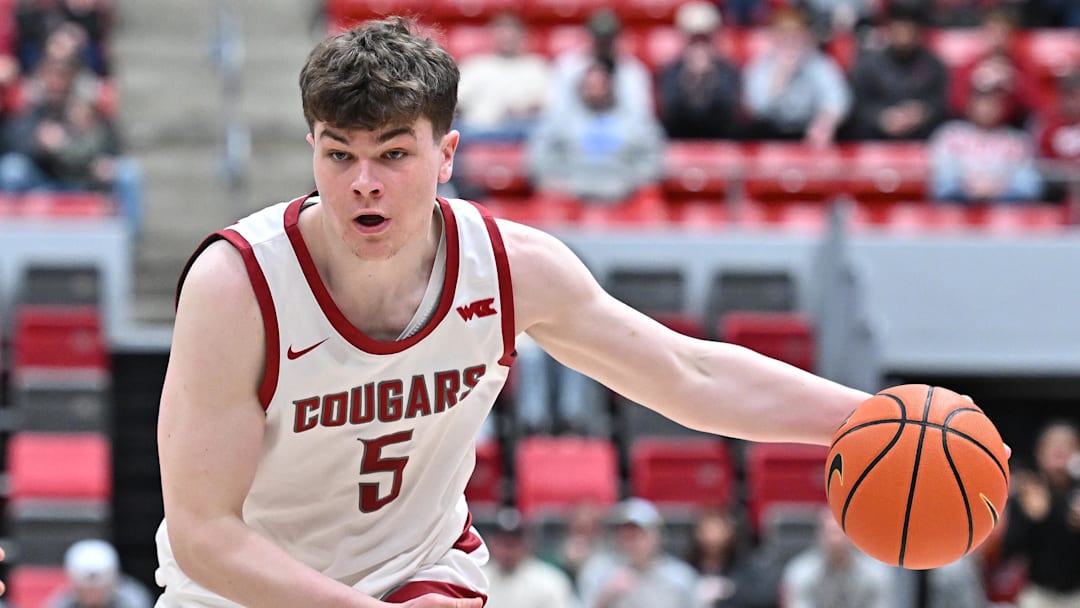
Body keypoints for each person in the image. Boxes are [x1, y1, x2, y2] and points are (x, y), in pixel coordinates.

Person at [155, 15, 880, 608]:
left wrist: (874, 419)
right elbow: (204, 536)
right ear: (312, 147)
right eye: (340, 156)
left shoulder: (509, 268)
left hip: (418, 577)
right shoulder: (237, 287)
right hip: (239, 592)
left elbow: (688, 373)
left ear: (446, 155)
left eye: (394, 155)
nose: (364, 184)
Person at [527, 55, 665, 203]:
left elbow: (653, 158)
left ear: (612, 86)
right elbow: (540, 156)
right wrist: (553, 180)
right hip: (566, 195)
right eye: (590, 85)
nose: (595, 91)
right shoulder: (559, 120)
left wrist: (635, 181)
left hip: (626, 195)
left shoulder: (636, 120)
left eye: (600, 85)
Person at [741, 7, 851, 147]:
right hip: (769, 134)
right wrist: (780, 75)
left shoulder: (818, 64)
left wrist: (825, 123)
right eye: (785, 38)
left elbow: (837, 99)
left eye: (795, 37)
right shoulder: (761, 66)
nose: (791, 44)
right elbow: (756, 108)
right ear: (775, 39)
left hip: (807, 135)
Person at [1002, 420, 1080, 608]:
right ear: (1039, 453)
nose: (1059, 458)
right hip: (1038, 593)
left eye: (1067, 449)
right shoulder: (1028, 492)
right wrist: (1032, 519)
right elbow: (1009, 550)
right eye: (1054, 450)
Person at [928, 81, 1043, 204]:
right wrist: (968, 187)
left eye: (993, 103)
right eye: (982, 102)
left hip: (1006, 211)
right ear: (970, 104)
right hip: (957, 208)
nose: (987, 108)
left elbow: (1029, 186)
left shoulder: (1017, 140)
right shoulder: (950, 134)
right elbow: (941, 184)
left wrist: (998, 189)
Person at [847, 3, 948, 140]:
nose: (904, 35)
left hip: (920, 138)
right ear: (889, 28)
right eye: (899, 27)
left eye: (909, 28)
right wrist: (881, 117)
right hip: (875, 138)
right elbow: (857, 104)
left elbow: (941, 103)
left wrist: (922, 112)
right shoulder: (869, 65)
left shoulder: (934, 65)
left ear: (918, 31)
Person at [577, 498, 700, 608]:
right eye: (626, 535)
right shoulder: (598, 571)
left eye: (638, 535)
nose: (631, 542)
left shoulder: (680, 577)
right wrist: (606, 597)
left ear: (656, 536)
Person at [454, 12, 550, 143]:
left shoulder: (537, 67)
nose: (507, 37)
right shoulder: (475, 65)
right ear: (493, 35)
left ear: (523, 35)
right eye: (502, 32)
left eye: (512, 32)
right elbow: (456, 101)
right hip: (478, 134)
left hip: (524, 135)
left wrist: (523, 111)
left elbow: (548, 105)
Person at [656, 2, 742, 140]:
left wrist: (709, 79)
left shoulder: (728, 71)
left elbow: (728, 112)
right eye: (694, 39)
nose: (700, 46)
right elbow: (671, 112)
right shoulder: (670, 72)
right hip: (679, 140)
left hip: (720, 141)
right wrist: (689, 80)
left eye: (705, 39)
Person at [547, 9, 653, 118]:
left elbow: (641, 114)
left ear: (618, 37)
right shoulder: (567, 66)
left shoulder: (633, 71)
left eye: (608, 38)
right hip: (574, 130)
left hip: (621, 130)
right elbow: (557, 110)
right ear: (588, 35)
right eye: (599, 37)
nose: (603, 43)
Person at [779, 507, 891, 608]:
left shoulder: (875, 574)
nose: (836, 540)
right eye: (830, 533)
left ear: (852, 536)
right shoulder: (800, 572)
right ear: (819, 535)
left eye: (839, 533)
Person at [949, 5, 1037, 129]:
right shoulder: (969, 66)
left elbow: (1037, 107)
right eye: (992, 32)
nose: (998, 40)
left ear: (1012, 37)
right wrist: (974, 81)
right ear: (983, 34)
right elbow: (954, 104)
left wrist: (1015, 83)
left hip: (1012, 131)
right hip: (972, 129)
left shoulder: (1024, 66)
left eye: (1004, 33)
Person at [481, 508, 579, 608]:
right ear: (492, 544)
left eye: (513, 544)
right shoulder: (477, 580)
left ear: (527, 544)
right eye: (502, 543)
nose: (508, 551)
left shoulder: (551, 581)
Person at [46, 539, 154, 608]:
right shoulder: (61, 604)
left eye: (99, 589)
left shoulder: (133, 601)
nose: (93, 596)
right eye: (86, 590)